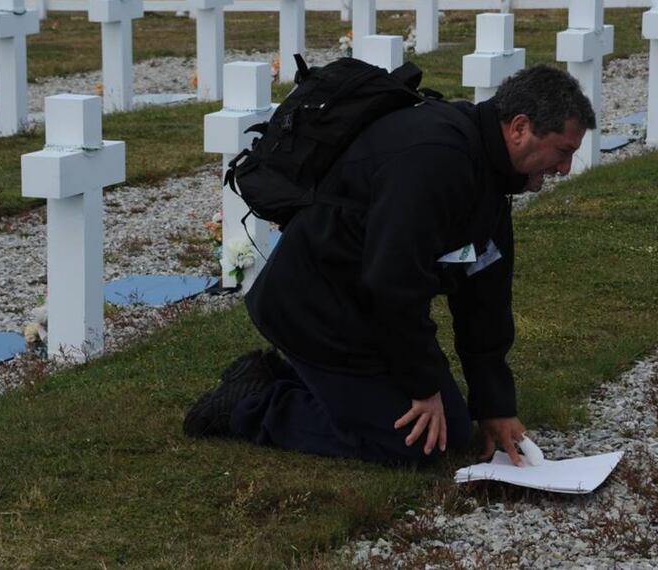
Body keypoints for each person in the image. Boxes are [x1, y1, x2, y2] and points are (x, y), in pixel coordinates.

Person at [184, 64, 595, 467]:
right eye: (563, 152)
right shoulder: (438, 158)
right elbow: (394, 281)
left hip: (362, 307)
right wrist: (422, 386)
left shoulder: (491, 171)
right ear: (520, 128)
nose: (565, 169)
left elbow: (484, 296)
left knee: (450, 427)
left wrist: (494, 405)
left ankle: (277, 378)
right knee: (419, 443)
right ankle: (254, 404)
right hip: (312, 306)